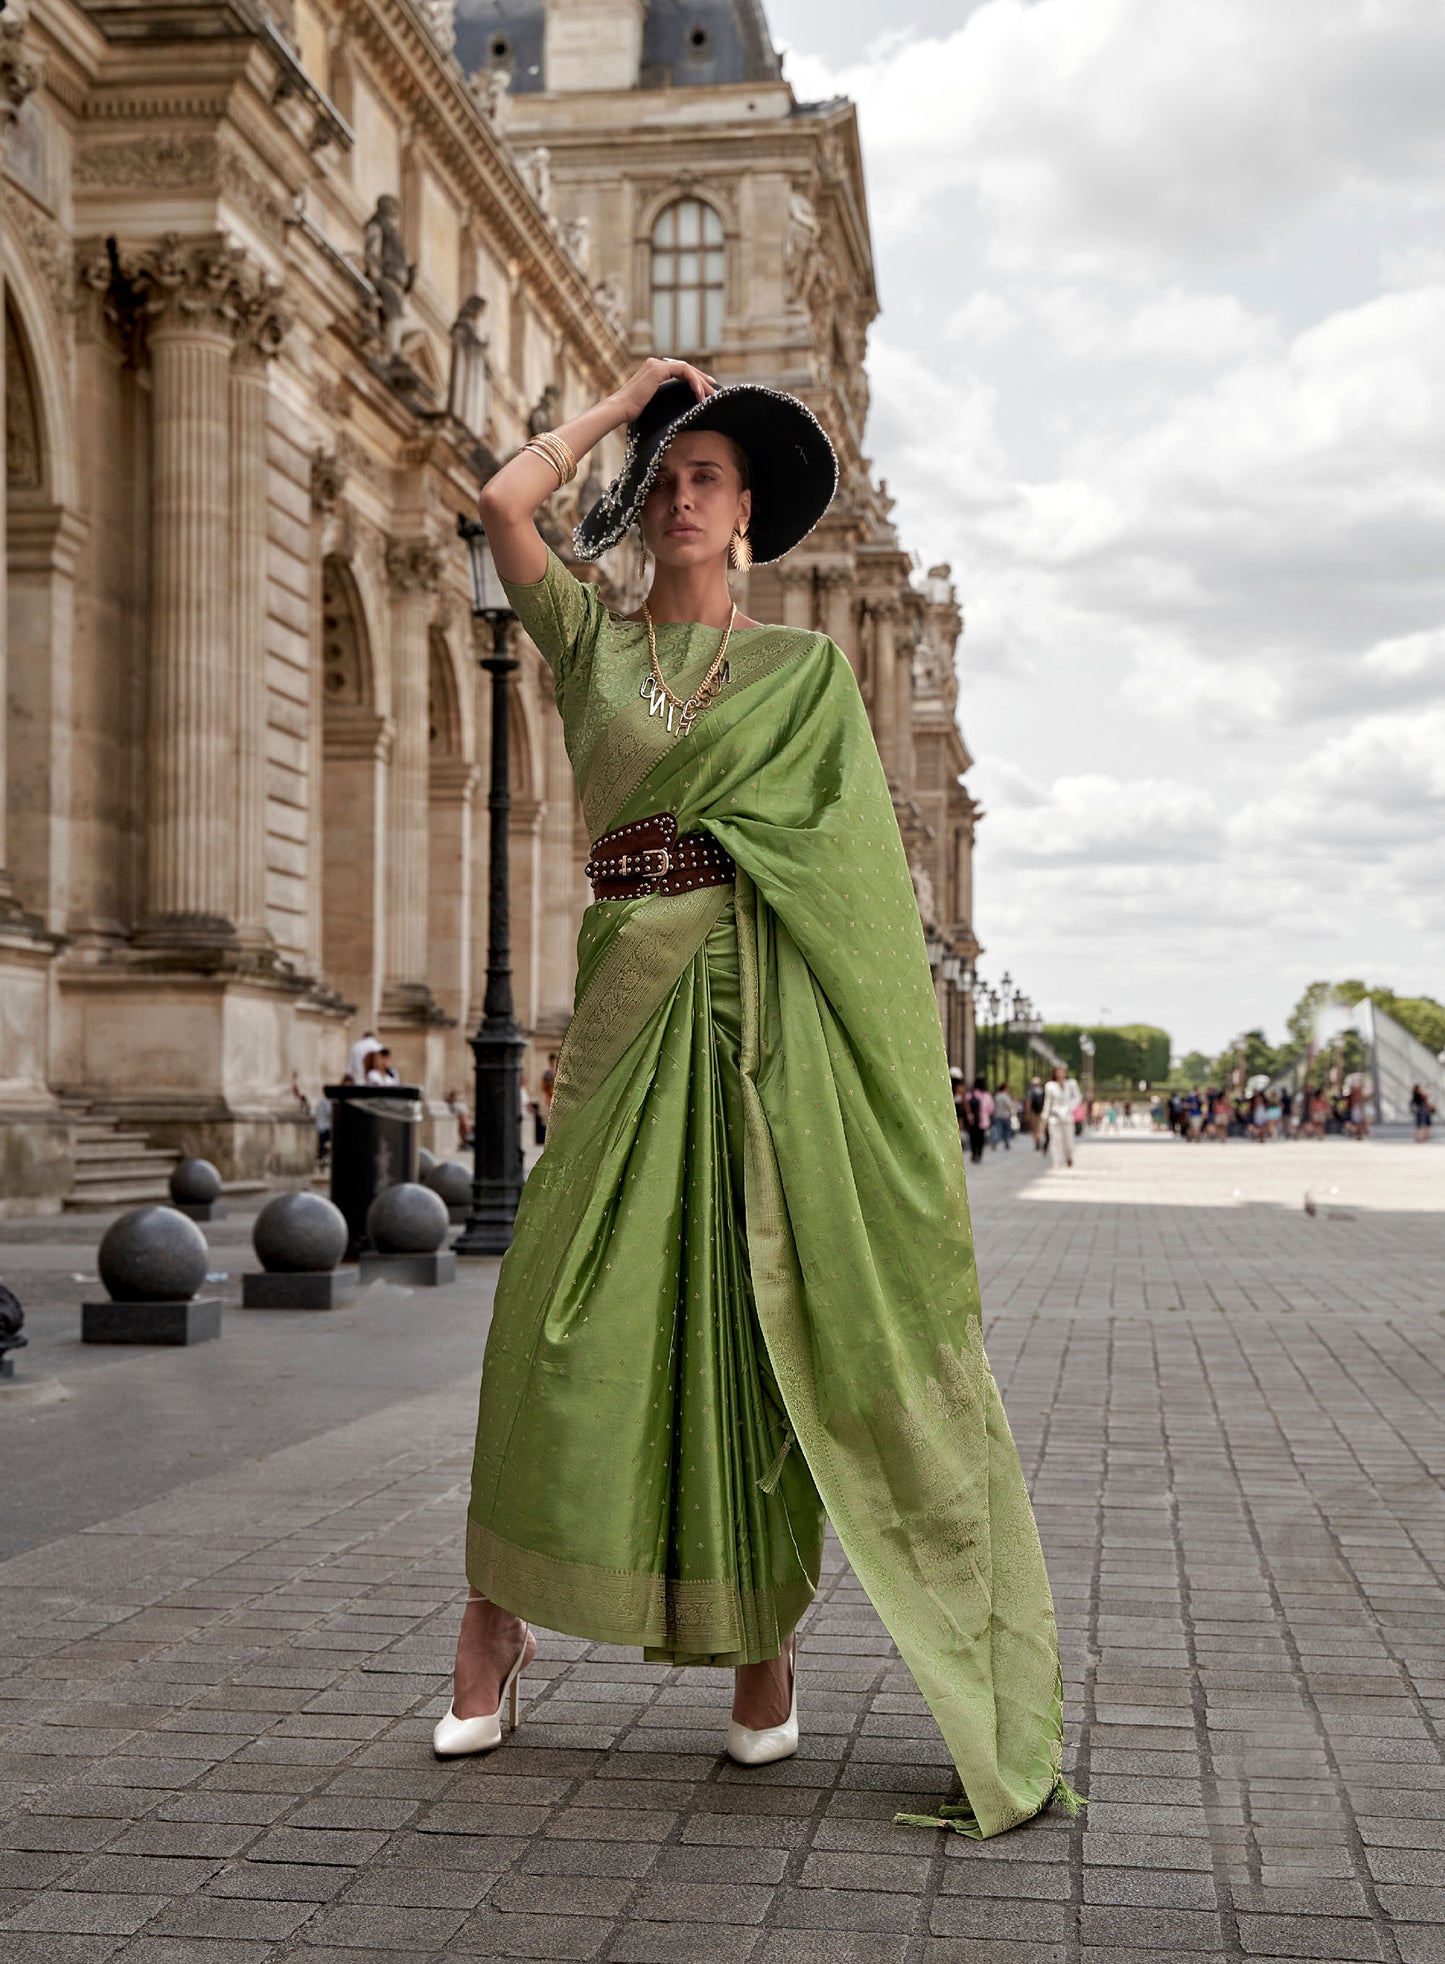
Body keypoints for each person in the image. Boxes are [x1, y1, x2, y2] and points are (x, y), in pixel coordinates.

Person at [440, 357, 1065, 1838]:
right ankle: (495, 1626)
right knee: (553, 1319)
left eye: (707, 476)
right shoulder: (587, 642)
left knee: (749, 1334)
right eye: (665, 475)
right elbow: (500, 499)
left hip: (766, 1028)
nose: (679, 493)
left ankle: (763, 1651)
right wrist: (617, 408)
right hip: (627, 1012)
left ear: (750, 515)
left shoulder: (805, 679)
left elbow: (850, 892)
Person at [1041, 1063, 1081, 1168]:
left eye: (1062, 1071)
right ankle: (1057, 1160)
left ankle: (1069, 1156)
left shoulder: (1071, 1084)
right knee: (1056, 1140)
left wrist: (1070, 1108)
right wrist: (1045, 1117)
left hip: (1067, 1116)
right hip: (1055, 1116)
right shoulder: (1050, 1085)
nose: (1060, 1073)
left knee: (1068, 1140)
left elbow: (1077, 1098)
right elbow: (1048, 1102)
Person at [965, 1075, 992, 1165]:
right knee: (981, 1139)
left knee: (973, 1138)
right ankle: (979, 1154)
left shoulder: (970, 1094)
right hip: (983, 1121)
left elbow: (966, 1106)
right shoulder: (987, 1096)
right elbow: (990, 1109)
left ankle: (974, 1154)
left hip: (972, 1120)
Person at [991, 1082, 1014, 1150]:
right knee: (1006, 1131)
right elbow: (1009, 1105)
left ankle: (995, 1141)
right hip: (1005, 1116)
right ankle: (1006, 1144)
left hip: (997, 1116)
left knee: (998, 1130)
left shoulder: (996, 1096)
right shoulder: (1005, 1096)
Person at [1027, 1074, 1047, 1151]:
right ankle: (1039, 1139)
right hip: (1042, 1112)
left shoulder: (1031, 1091)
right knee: (1041, 1128)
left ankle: (1037, 1141)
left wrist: (1028, 1113)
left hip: (1034, 1112)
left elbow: (1029, 1102)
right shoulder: (1042, 1091)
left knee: (1035, 1129)